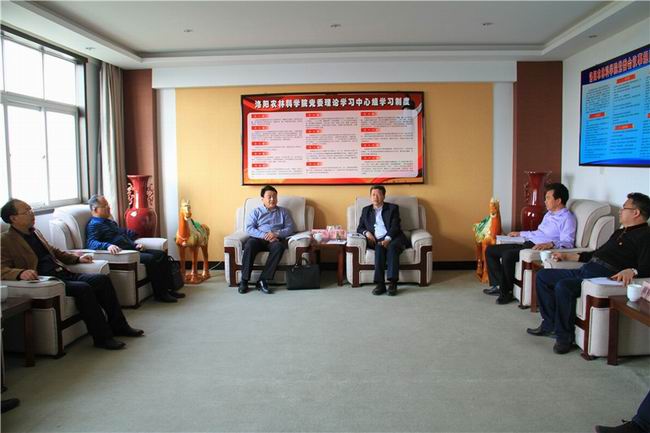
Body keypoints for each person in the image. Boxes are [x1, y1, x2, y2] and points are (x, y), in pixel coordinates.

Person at [1, 199, 143, 350]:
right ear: (13, 218)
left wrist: (77, 259)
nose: (32, 213)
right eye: (27, 211)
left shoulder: (35, 232)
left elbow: (54, 251)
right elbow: (2, 269)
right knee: (83, 288)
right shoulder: (5, 240)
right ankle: (102, 338)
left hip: (62, 272)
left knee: (102, 280)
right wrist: (20, 273)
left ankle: (119, 326)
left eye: (31, 209)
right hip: (48, 280)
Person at [529, 192, 650, 354]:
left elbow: (647, 266)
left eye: (624, 207)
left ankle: (564, 337)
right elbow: (597, 253)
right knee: (543, 276)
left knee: (563, 286)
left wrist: (633, 270)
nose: (620, 211)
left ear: (636, 213)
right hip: (587, 269)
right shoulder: (620, 232)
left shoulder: (645, 236)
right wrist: (568, 256)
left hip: (602, 275)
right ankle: (549, 324)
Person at [484, 183, 577, 305]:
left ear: (558, 201)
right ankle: (498, 285)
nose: (545, 201)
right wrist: (520, 233)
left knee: (508, 255)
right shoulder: (549, 214)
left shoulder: (567, 219)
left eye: (548, 198)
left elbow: (568, 243)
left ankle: (506, 293)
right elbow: (538, 233)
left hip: (537, 248)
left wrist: (551, 244)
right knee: (490, 250)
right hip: (528, 242)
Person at [85, 194, 181, 303]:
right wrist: (108, 246)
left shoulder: (109, 222)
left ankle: (170, 289)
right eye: (105, 206)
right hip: (124, 253)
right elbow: (90, 243)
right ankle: (161, 294)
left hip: (132, 248)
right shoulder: (94, 225)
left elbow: (122, 235)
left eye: (108, 205)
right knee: (150, 259)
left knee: (161, 255)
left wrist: (135, 244)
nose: (108, 207)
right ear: (95, 209)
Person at [239, 185, 295, 294]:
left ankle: (262, 280)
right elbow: (249, 228)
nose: (272, 199)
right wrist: (264, 235)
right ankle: (244, 280)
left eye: (274, 197)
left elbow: (290, 228)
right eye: (269, 197)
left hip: (275, 239)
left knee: (279, 247)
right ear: (262, 199)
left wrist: (276, 234)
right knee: (249, 245)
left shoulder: (283, 212)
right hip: (258, 239)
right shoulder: (256, 212)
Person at [356, 185, 410, 296]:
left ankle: (393, 283)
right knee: (379, 249)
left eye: (378, 194)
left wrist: (387, 239)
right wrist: (367, 233)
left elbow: (395, 226)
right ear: (370, 197)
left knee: (392, 248)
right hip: (377, 240)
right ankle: (380, 284)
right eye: (373, 195)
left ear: (384, 196)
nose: (375, 197)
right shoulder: (366, 210)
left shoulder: (393, 208)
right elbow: (360, 228)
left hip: (394, 237)